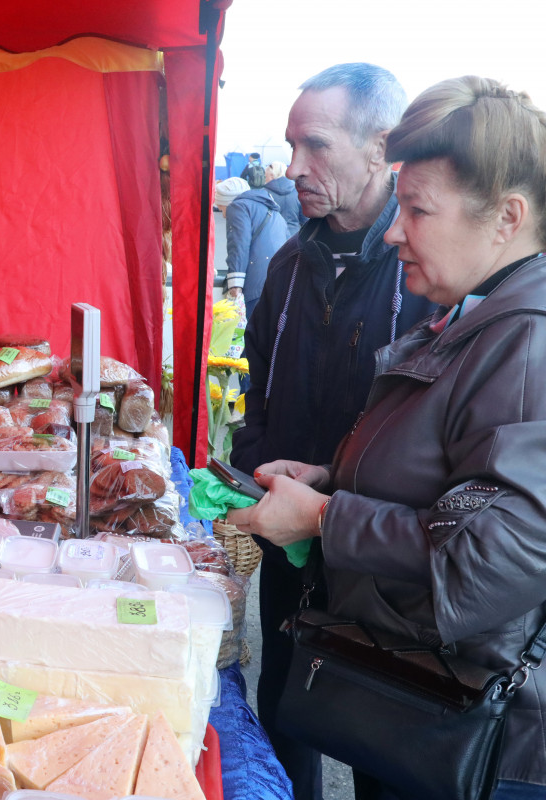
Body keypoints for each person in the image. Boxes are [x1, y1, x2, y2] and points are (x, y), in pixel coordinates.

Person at [228, 74, 546, 800]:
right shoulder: (476, 318)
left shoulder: (528, 340)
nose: (397, 232)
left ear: (507, 217)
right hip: (408, 686)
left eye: (418, 210)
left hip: (467, 723)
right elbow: (448, 480)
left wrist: (324, 518)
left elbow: (491, 563)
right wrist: (330, 477)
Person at [229, 63, 438, 800]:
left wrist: (343, 510)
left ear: (380, 146)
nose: (294, 170)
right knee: (284, 719)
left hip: (382, 576)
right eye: (290, 147)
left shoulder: (428, 272)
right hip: (289, 550)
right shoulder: (288, 264)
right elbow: (255, 383)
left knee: (382, 755)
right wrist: (254, 460)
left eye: (316, 146)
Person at [219, 176, 289, 321]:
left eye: (222, 209)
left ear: (228, 201)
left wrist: (235, 286)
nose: (224, 215)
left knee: (248, 336)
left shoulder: (237, 206)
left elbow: (238, 245)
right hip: (278, 280)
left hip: (255, 284)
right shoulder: (270, 208)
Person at [264, 161, 305, 235]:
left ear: (272, 175)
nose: (265, 179)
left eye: (266, 176)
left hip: (271, 236)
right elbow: (305, 219)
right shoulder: (298, 191)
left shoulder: (264, 194)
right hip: (294, 236)